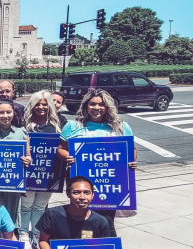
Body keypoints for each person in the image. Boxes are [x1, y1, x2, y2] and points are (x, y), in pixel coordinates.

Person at [57, 89, 137, 238]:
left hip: (110, 181)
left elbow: (131, 150)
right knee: (80, 217)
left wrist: (131, 161)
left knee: (106, 220)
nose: (96, 108)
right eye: (92, 104)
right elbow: (60, 149)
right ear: (86, 106)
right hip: (80, 180)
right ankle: (80, 248)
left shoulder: (121, 126)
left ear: (108, 107)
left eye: (101, 104)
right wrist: (68, 156)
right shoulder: (73, 126)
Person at [37, 175, 132, 249]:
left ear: (92, 195)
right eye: (76, 192)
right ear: (68, 194)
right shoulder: (52, 214)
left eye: (87, 192)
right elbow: (43, 240)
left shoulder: (100, 222)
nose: (82, 197)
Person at [18, 91, 64, 249]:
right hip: (28, 173)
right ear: (32, 105)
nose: (41, 107)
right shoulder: (23, 124)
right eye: (38, 103)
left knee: (39, 207)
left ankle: (36, 235)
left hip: (50, 174)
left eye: (45, 104)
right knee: (26, 206)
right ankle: (23, 233)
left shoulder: (59, 123)